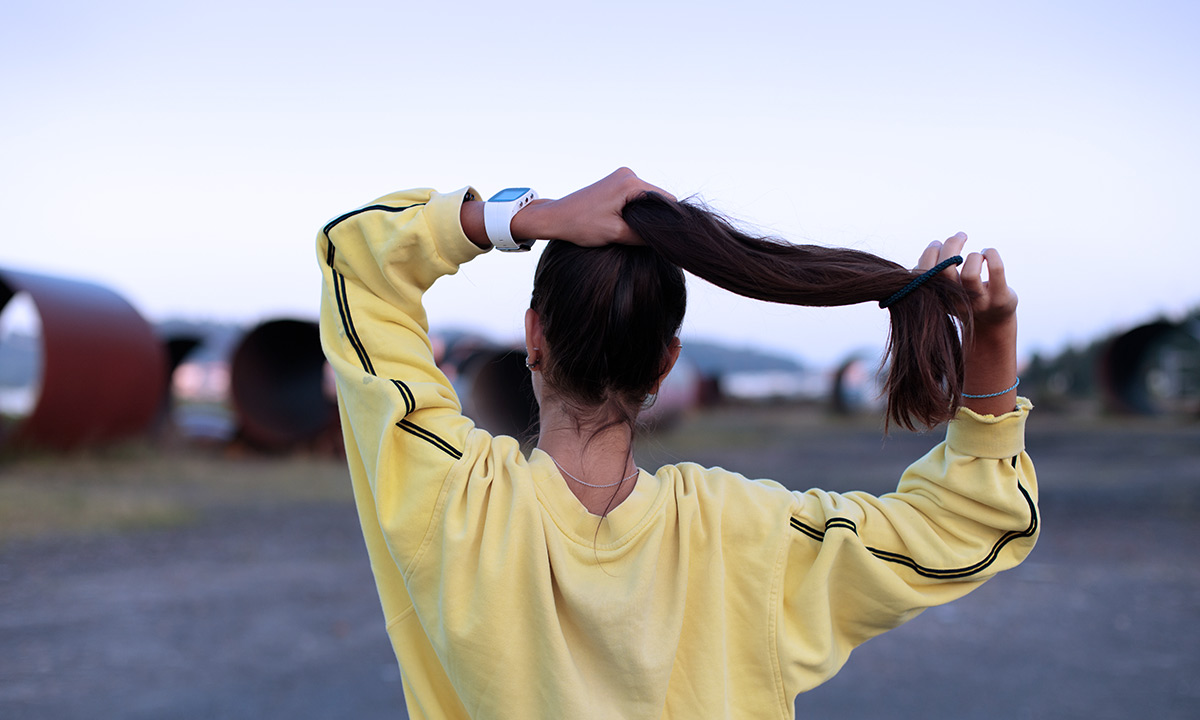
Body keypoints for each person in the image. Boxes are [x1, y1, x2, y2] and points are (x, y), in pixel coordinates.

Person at [317, 168, 1038, 719]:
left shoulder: (453, 498)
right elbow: (974, 520)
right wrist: (992, 350)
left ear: (532, 339)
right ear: (666, 363)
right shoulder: (743, 532)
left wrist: (526, 216)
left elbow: (356, 260)